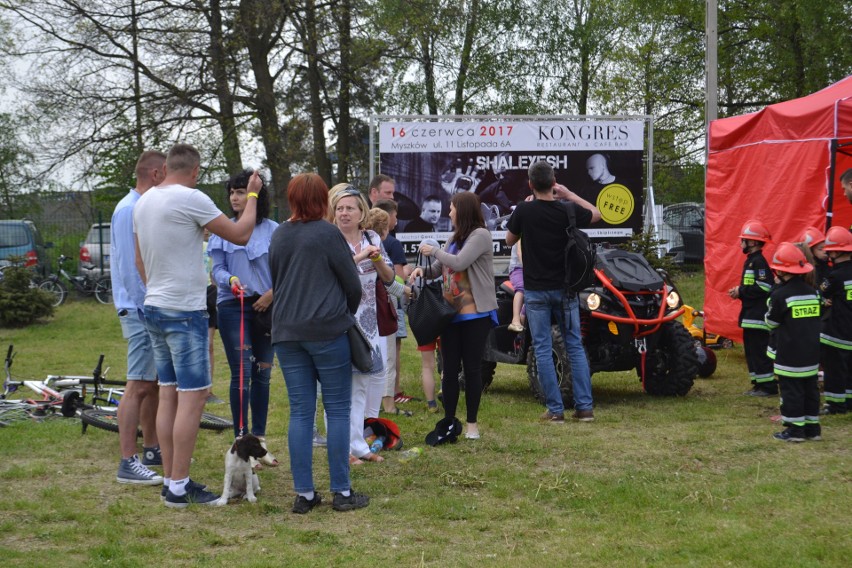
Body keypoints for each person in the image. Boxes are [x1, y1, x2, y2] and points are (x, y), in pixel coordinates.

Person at [134, 143, 260, 508]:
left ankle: (172, 478)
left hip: (154, 305)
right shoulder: (191, 198)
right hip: (185, 311)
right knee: (194, 398)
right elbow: (240, 234)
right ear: (195, 171)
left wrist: (156, 288)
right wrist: (252, 193)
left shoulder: (145, 201)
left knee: (169, 394)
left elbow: (140, 258)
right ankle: (178, 485)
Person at [269, 173, 368, 514]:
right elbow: (352, 285)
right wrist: (344, 315)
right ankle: (341, 492)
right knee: (337, 409)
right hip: (327, 331)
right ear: (323, 199)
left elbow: (277, 281)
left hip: (286, 333)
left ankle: (305, 495)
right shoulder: (327, 233)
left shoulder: (279, 234)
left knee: (300, 411)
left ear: (292, 199)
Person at [505, 160, 601, 423]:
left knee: (543, 348)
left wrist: (524, 213)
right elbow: (595, 213)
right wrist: (569, 195)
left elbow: (509, 240)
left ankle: (555, 410)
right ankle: (584, 408)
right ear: (554, 182)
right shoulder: (568, 210)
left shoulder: (524, 210)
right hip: (567, 290)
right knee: (574, 345)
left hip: (536, 292)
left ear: (531, 184)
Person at [412, 191, 497, 440]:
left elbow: (459, 262)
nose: (448, 213)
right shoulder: (454, 237)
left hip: (475, 315)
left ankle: (472, 424)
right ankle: (449, 420)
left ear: (462, 210)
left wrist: (433, 250)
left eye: (451, 208)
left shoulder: (480, 235)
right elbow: (441, 268)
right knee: (449, 370)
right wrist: (421, 270)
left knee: (471, 369)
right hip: (450, 314)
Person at [207, 169, 279, 465]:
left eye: (241, 192)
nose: (235, 198)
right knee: (242, 374)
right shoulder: (224, 230)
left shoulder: (274, 230)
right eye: (232, 193)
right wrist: (230, 279)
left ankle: (258, 441)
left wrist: (271, 294)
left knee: (263, 374)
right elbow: (216, 269)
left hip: (267, 307)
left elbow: (285, 270)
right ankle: (241, 438)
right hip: (233, 307)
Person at [328, 184, 395, 464]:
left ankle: (358, 445)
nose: (344, 213)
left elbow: (390, 277)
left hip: (367, 323)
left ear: (361, 212)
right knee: (337, 388)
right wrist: (359, 256)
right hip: (337, 320)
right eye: (339, 208)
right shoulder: (329, 239)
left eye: (349, 208)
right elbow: (329, 276)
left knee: (361, 386)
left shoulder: (371, 238)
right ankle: (340, 449)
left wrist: (376, 259)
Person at [110, 150, 164, 486]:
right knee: (138, 385)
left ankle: (152, 447)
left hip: (146, 307)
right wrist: (149, 305)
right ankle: (127, 461)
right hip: (140, 308)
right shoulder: (129, 208)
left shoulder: (139, 206)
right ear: (157, 174)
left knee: (153, 383)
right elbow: (131, 267)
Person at [765, 242, 821, 442]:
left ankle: (795, 430)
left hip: (789, 353)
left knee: (791, 392)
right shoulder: (813, 292)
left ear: (780, 271)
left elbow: (771, 322)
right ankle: (812, 428)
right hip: (812, 352)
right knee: (810, 390)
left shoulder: (780, 295)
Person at [365, 207, 413, 418]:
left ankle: (371, 406)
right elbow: (391, 279)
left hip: (367, 313)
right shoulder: (379, 247)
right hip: (382, 309)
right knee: (388, 359)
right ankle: (389, 405)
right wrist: (406, 290)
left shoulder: (365, 244)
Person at [374, 198, 416, 404]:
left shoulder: (364, 245)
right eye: (395, 215)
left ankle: (380, 398)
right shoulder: (391, 244)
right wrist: (406, 276)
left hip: (371, 310)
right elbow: (395, 277)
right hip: (390, 306)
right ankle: (393, 394)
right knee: (392, 352)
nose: (397, 220)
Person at [728, 220, 777, 397]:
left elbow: (765, 287)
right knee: (751, 352)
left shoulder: (759, 262)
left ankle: (768, 387)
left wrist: (740, 290)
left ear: (753, 242)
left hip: (757, 317)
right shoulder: (751, 261)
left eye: (744, 240)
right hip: (750, 316)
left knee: (759, 352)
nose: (741, 243)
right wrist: (740, 291)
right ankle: (758, 384)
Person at [818, 226, 852, 415]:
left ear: (837, 251)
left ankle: (835, 404)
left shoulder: (835, 276)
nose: (828, 255)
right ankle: (848, 401)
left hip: (836, 332)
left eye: (830, 251)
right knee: (850, 369)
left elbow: (820, 294)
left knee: (834, 369)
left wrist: (823, 300)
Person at [414, 237, 443, 414]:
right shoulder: (443, 270)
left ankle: (431, 404)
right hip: (442, 318)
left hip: (424, 322)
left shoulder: (417, 274)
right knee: (447, 361)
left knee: (427, 365)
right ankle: (444, 390)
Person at [203, 229, 225, 405]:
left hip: (209, 294)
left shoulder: (214, 245)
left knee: (209, 345)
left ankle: (208, 390)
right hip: (191, 295)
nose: (206, 230)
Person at [507, 241, 525, 333]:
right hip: (518, 267)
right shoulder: (522, 230)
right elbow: (519, 252)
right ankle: (516, 319)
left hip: (534, 269)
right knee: (521, 288)